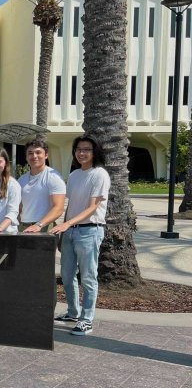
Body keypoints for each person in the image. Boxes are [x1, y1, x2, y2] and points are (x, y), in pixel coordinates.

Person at [50, 136, 110, 336]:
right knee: (67, 276)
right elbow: (70, 206)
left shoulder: (100, 174)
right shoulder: (75, 175)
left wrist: (68, 223)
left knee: (88, 277)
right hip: (70, 231)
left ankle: (86, 320)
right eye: (78, 149)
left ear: (95, 153)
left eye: (87, 149)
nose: (82, 153)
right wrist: (64, 228)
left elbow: (93, 207)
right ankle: (73, 312)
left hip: (90, 230)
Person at [19, 138, 66, 233]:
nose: (34, 156)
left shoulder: (53, 177)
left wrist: (38, 225)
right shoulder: (21, 179)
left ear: (46, 155)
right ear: (26, 157)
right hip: (24, 227)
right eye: (30, 153)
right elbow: (19, 207)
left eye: (38, 152)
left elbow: (58, 208)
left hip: (44, 227)